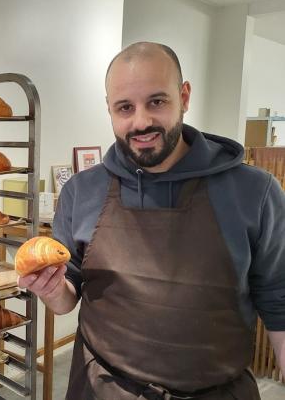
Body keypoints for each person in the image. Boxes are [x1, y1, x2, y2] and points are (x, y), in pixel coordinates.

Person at [19, 42, 285, 399]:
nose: (140, 121)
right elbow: (69, 296)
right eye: (124, 107)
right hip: (102, 390)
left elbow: (279, 305)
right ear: (110, 110)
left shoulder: (255, 192)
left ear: (184, 96)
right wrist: (52, 291)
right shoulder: (82, 191)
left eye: (156, 101)